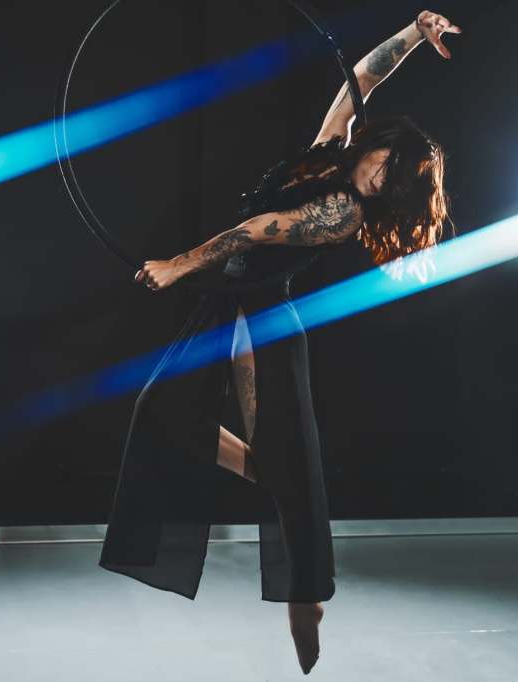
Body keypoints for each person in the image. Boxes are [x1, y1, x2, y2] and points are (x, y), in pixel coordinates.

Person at [105, 9, 461, 675]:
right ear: (380, 143)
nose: (382, 178)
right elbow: (362, 77)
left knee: (275, 457)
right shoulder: (330, 149)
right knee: (166, 415)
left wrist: (178, 264)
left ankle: (305, 597)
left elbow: (257, 231)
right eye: (388, 163)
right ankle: (276, 487)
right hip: (226, 306)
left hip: (264, 319)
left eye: (395, 182)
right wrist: (416, 32)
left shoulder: (342, 211)